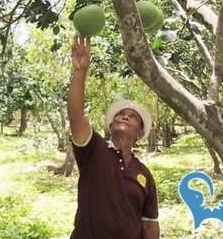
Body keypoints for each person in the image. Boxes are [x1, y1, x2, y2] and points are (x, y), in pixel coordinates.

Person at [67, 35, 160, 239]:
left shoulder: (144, 174)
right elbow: (76, 115)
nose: (125, 116)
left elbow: (150, 224)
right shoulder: (94, 150)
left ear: (140, 133)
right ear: (110, 126)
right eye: (120, 114)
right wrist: (80, 72)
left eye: (133, 117)